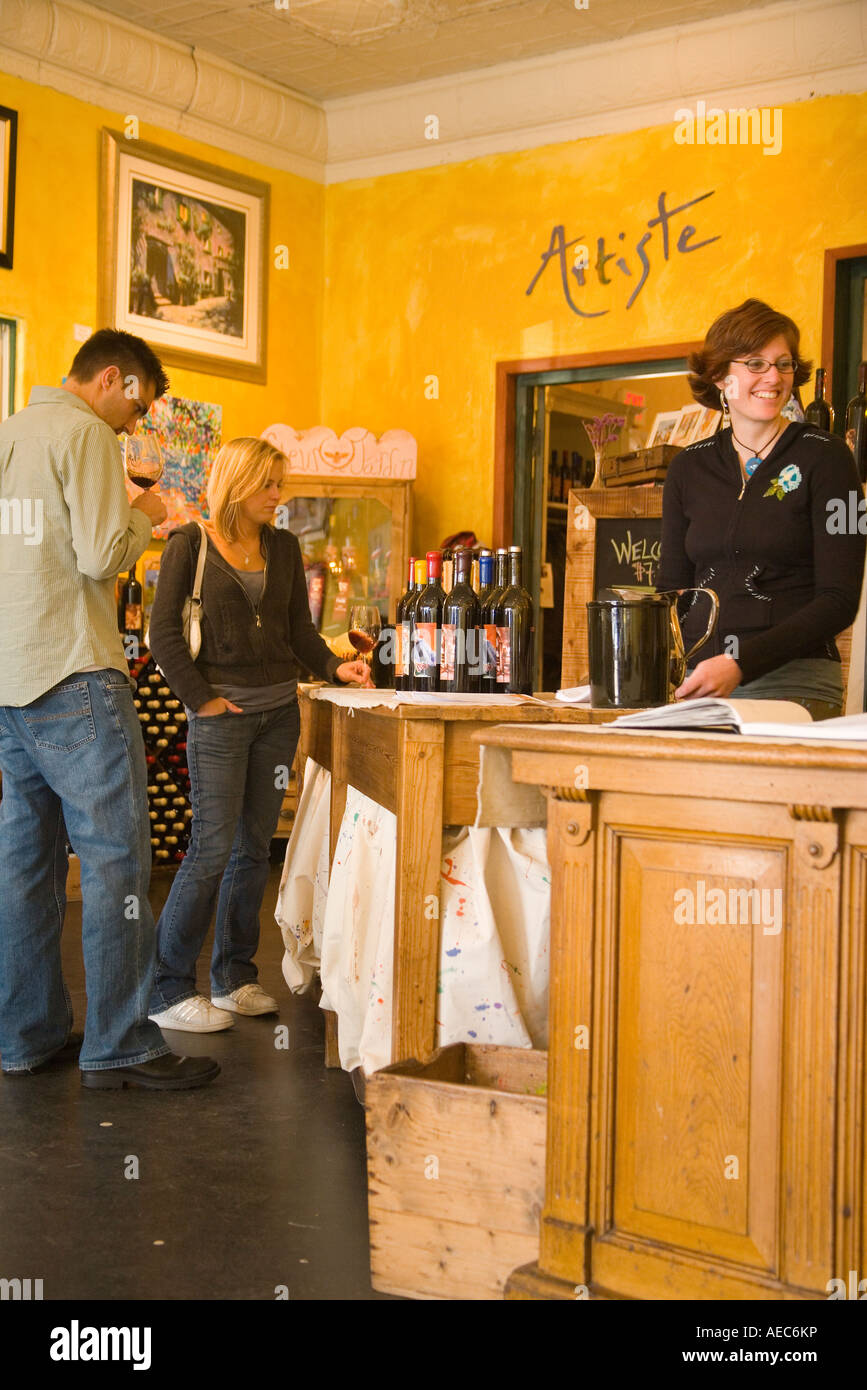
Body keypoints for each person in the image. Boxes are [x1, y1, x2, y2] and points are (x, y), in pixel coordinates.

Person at [0, 328, 219, 1089]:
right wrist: (145, 516)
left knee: (24, 864)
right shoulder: (86, 434)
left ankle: (25, 1037)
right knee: (117, 859)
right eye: (141, 406)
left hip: (9, 679)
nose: (136, 424)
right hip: (74, 671)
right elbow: (99, 555)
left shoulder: (10, 432)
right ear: (117, 381)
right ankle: (122, 1044)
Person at [147, 437, 370, 1032]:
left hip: (279, 716)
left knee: (253, 850)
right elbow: (163, 636)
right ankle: (167, 989)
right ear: (238, 482)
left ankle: (234, 978)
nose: (280, 494)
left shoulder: (284, 546)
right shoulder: (188, 545)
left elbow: (299, 630)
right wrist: (203, 702)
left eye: (280, 482)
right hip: (221, 720)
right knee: (211, 849)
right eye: (269, 483)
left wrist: (331, 667)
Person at [659, 298, 866, 717]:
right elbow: (672, 593)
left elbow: (840, 599)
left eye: (783, 363)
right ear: (719, 376)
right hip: (697, 692)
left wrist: (740, 665)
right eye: (755, 363)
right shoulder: (687, 467)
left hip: (795, 690)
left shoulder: (828, 458)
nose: (773, 376)